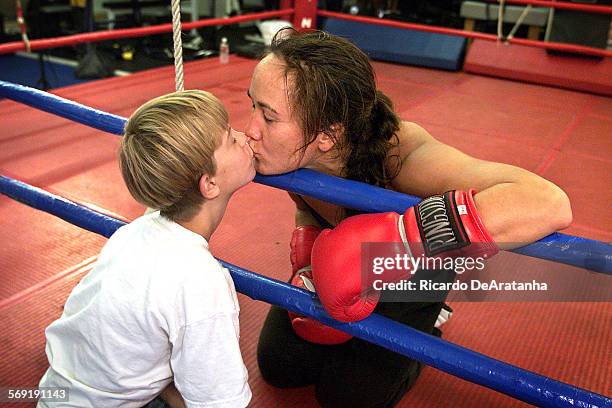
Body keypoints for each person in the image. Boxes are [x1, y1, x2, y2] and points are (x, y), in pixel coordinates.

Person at [247, 29, 572, 407]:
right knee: (280, 366)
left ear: (327, 135)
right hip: (340, 259)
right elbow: (306, 202)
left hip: (413, 271)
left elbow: (548, 201)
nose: (251, 128)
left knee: (349, 398)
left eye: (268, 117)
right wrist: (308, 242)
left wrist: (403, 236)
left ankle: (428, 321)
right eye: (253, 105)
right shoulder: (290, 156)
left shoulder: (402, 154)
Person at [38, 90, 255, 408]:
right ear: (209, 184)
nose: (244, 134)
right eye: (231, 140)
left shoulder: (133, 233)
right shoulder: (200, 280)